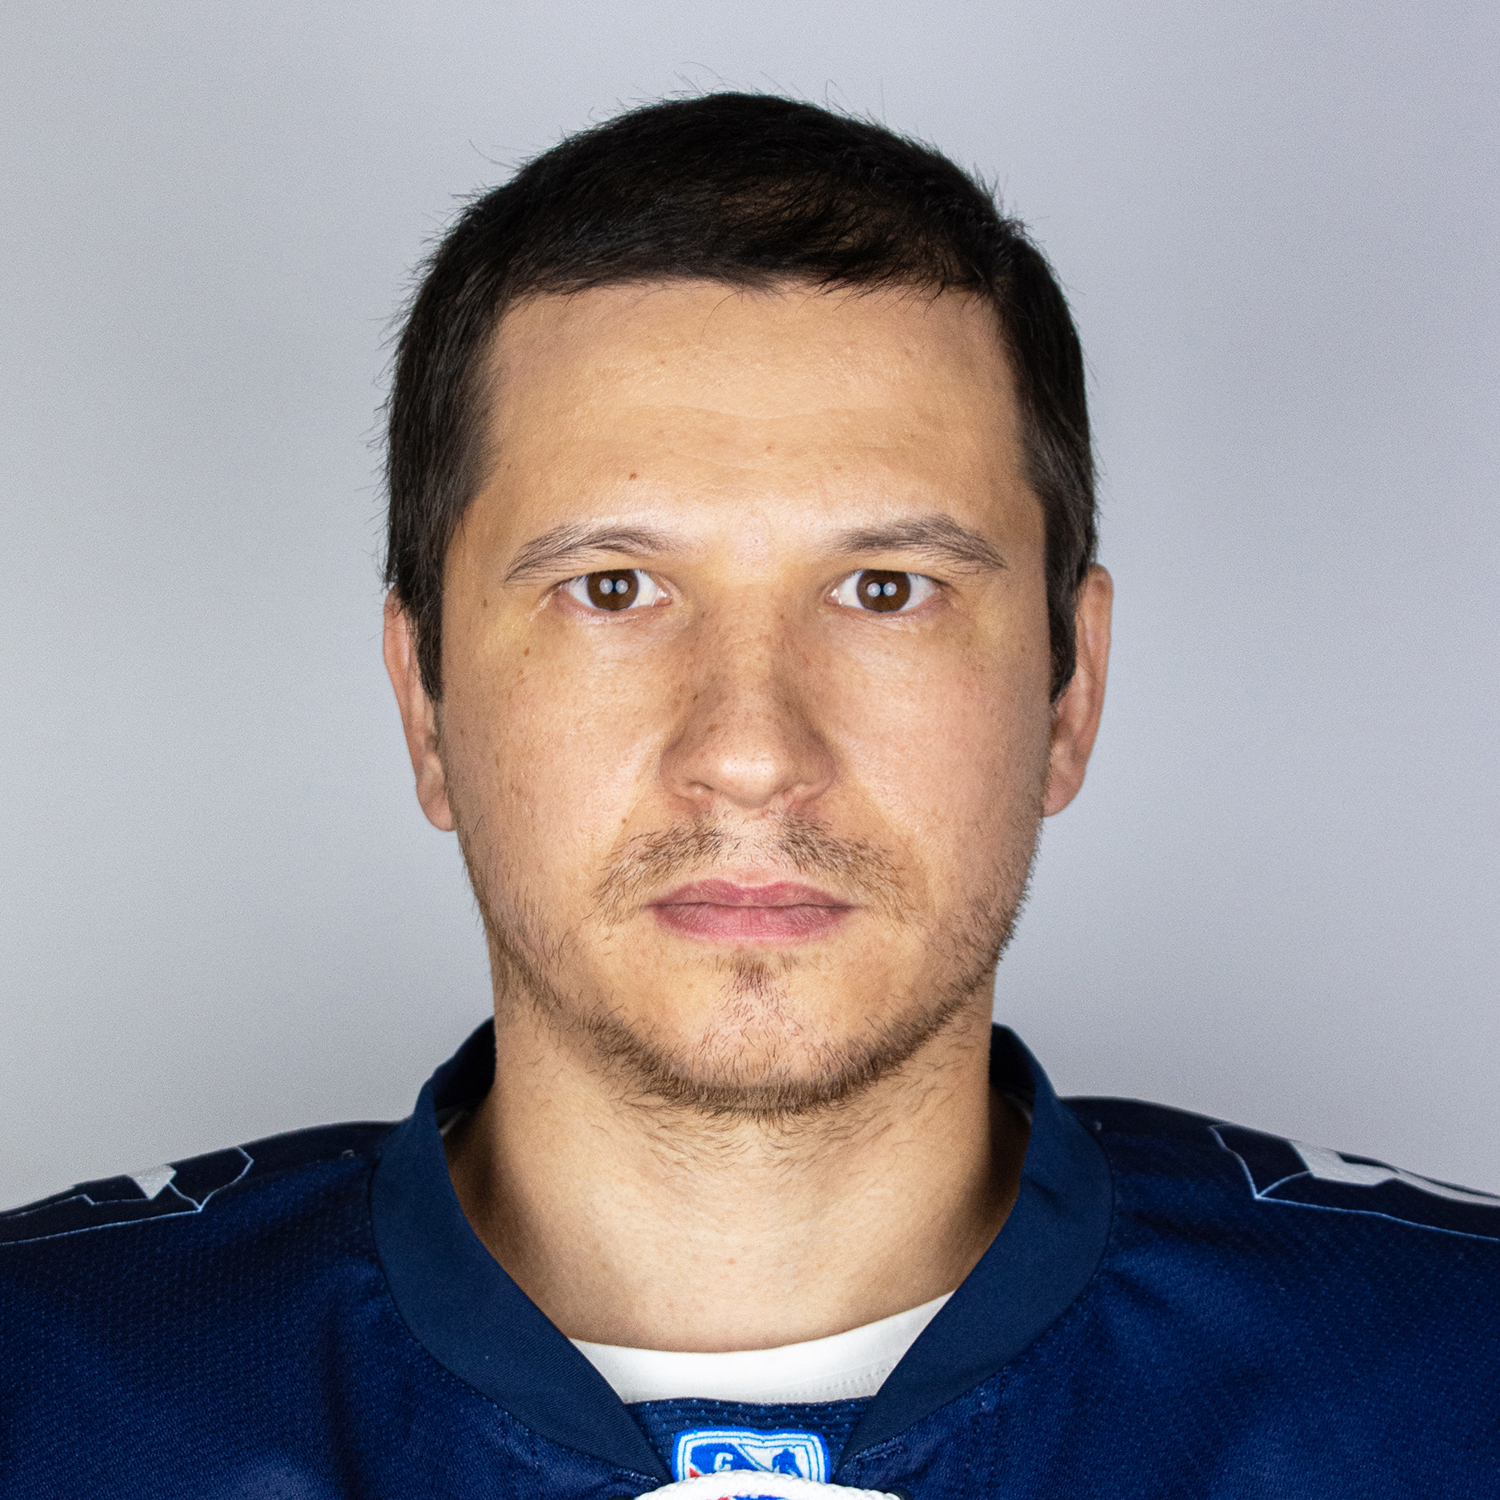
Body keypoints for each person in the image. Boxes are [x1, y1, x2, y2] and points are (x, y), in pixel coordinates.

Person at [2, 93, 1496, 1499]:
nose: (753, 749)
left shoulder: (1452, 1375)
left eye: (885, 587)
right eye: (613, 588)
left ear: (1069, 686)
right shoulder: (48, 1384)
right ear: (427, 702)